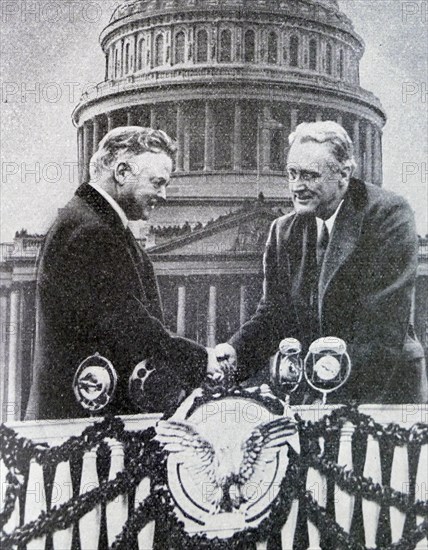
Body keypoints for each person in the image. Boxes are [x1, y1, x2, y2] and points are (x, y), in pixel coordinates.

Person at [216, 121, 426, 403]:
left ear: (344, 174)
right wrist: (235, 352)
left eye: (309, 176)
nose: (297, 187)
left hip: (383, 388)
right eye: (292, 174)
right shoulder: (283, 230)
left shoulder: (387, 216)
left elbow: (382, 331)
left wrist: (323, 383)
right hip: (318, 386)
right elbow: (273, 314)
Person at [26, 127, 220, 419]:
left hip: (88, 421)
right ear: (122, 172)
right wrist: (200, 359)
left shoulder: (92, 221)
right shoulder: (91, 231)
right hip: (83, 429)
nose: (164, 195)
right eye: (157, 183)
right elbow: (128, 324)